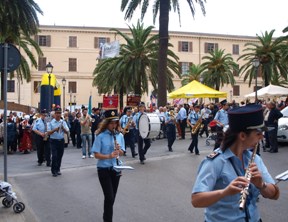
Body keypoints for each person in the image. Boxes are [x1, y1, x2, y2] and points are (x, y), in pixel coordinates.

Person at [191, 104, 280, 222]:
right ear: (242, 136)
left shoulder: (254, 159)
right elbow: (196, 200)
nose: (262, 138)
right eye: (258, 134)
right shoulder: (215, 161)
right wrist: (224, 192)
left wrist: (261, 185)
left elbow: (275, 194)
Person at [91, 109, 125, 222]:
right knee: (109, 197)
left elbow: (122, 153)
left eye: (115, 122)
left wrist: (119, 150)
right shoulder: (100, 136)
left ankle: (107, 216)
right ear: (106, 123)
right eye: (111, 122)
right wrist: (109, 156)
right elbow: (96, 154)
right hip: (104, 169)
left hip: (116, 169)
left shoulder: (119, 135)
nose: (113, 125)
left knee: (112, 198)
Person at [47, 106, 69, 177]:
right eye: (57, 113)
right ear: (54, 114)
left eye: (59, 113)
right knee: (54, 156)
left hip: (61, 141)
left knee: (60, 156)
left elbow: (67, 132)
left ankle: (58, 169)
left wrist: (63, 128)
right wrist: (54, 130)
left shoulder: (63, 122)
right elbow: (48, 132)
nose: (58, 115)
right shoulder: (51, 122)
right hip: (53, 141)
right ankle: (54, 171)